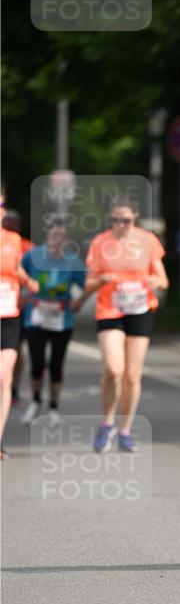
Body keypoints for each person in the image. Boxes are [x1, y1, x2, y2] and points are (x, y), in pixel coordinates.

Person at [84, 197, 168, 452]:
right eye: (116, 220)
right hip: (110, 309)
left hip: (140, 309)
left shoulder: (148, 241)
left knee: (132, 375)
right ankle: (106, 423)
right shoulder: (101, 242)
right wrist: (101, 281)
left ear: (135, 218)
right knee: (113, 369)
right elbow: (88, 284)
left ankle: (125, 430)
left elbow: (163, 280)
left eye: (126, 220)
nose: (121, 225)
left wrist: (156, 282)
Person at [20, 216, 87, 426]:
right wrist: (24, 291)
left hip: (62, 319)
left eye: (62, 234)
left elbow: (87, 284)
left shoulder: (73, 260)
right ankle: (35, 401)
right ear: (46, 234)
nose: (57, 237)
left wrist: (79, 301)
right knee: (37, 363)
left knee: (57, 365)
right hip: (36, 317)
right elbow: (17, 272)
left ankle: (54, 407)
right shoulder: (33, 255)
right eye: (54, 233)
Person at [0, 192, 39, 459]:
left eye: (1, 204)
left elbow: (17, 269)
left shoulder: (13, 240)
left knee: (4, 376)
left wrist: (28, 283)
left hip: (9, 314)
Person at [2, 205, 34, 406]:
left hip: (14, 308)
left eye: (14, 225)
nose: (11, 228)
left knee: (15, 351)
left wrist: (26, 297)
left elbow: (34, 278)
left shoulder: (26, 246)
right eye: (8, 224)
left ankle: (12, 388)